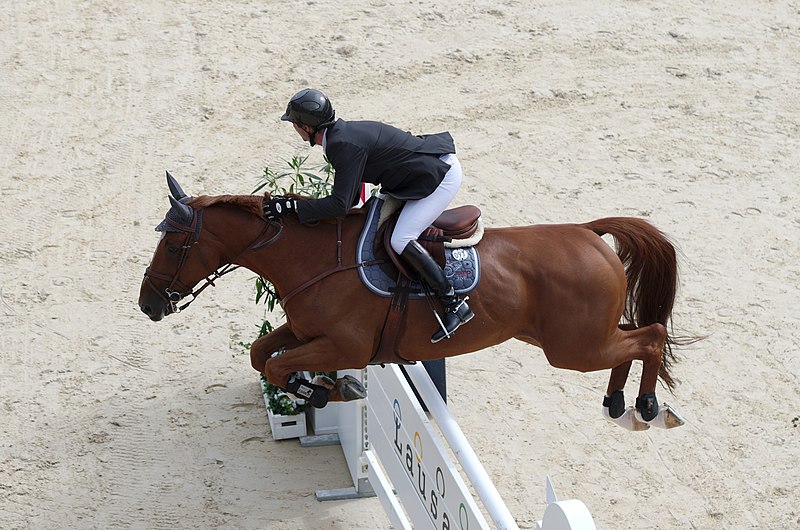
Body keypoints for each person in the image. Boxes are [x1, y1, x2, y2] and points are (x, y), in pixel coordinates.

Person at [266, 88, 473, 342]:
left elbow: (340, 205)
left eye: (295, 124)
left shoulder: (341, 144)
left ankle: (453, 302)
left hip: (440, 176)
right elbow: (351, 198)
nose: (294, 129)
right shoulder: (340, 136)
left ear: (307, 127)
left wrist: (291, 208)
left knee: (400, 239)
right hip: (418, 169)